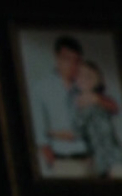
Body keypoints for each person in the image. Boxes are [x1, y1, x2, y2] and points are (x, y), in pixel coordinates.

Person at [30, 35, 94, 178]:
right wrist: (51, 159)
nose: (72, 65)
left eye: (76, 60)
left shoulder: (85, 87)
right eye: (67, 59)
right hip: (62, 162)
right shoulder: (42, 88)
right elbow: (39, 129)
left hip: (89, 161)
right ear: (57, 58)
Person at [72, 61, 122, 178]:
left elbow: (115, 107)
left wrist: (96, 99)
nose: (83, 79)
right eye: (80, 75)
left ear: (97, 81)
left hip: (113, 158)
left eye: (88, 76)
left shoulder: (100, 100)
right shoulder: (74, 101)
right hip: (96, 161)